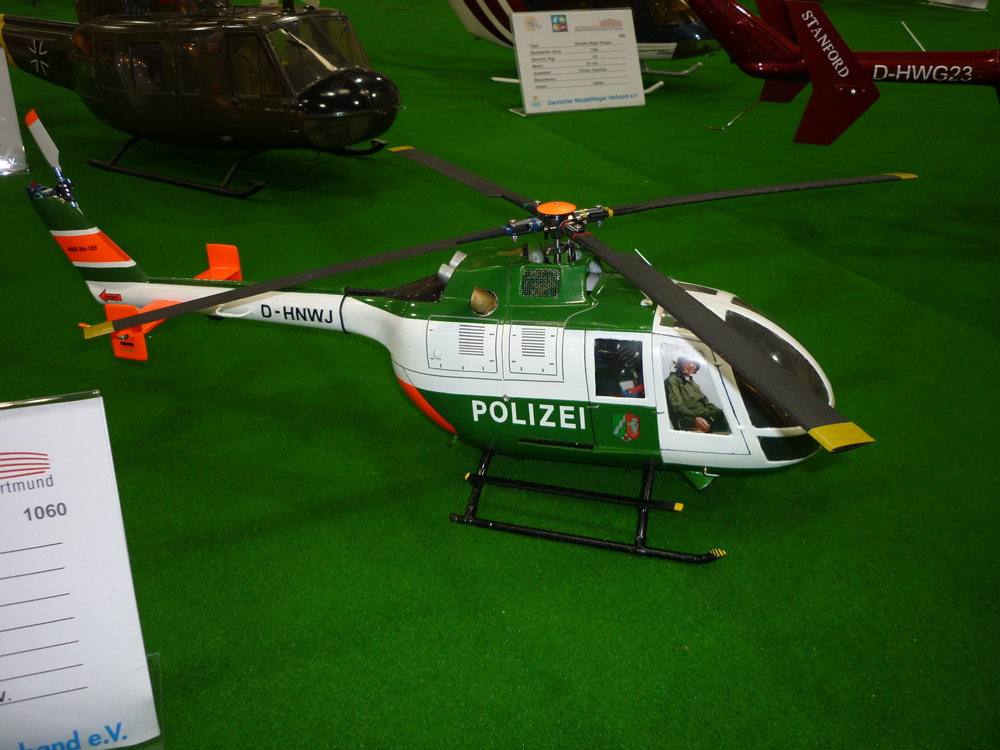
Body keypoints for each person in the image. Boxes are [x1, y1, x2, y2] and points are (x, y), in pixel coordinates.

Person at [665, 355, 729, 433]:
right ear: (680, 363)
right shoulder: (672, 381)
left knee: (727, 414)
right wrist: (694, 418)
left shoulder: (693, 383)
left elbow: (706, 402)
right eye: (688, 362)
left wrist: (719, 412)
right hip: (688, 420)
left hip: (703, 415)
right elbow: (677, 406)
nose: (691, 365)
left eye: (694, 363)